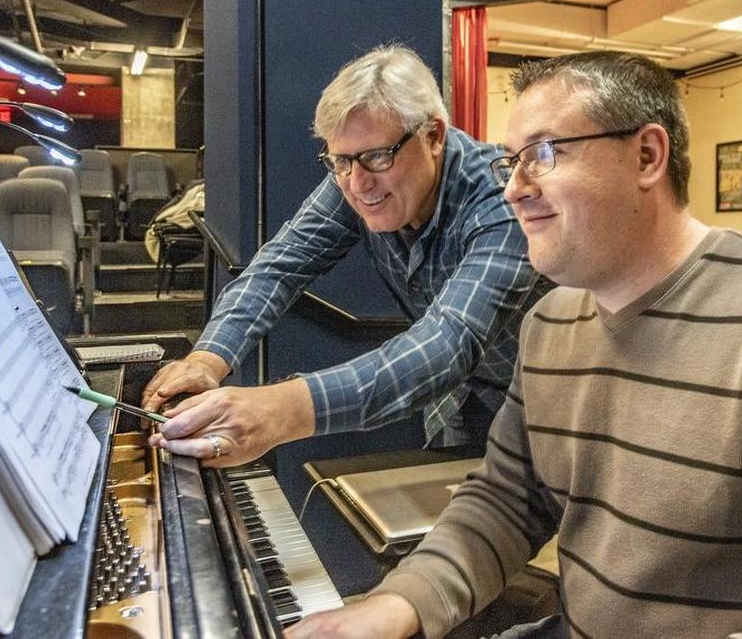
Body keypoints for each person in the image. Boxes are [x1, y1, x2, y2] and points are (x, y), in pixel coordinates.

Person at [287, 51, 742, 638]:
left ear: (647, 156)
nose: (513, 188)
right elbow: (506, 503)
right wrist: (397, 603)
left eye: (544, 153)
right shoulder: (551, 326)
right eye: (511, 161)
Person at [143, 45, 544, 465]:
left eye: (378, 156)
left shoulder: (502, 197)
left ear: (433, 136)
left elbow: (447, 342)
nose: (357, 183)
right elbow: (278, 267)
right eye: (340, 161)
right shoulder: (355, 174)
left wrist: (277, 410)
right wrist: (208, 360)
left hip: (541, 402)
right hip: (459, 400)